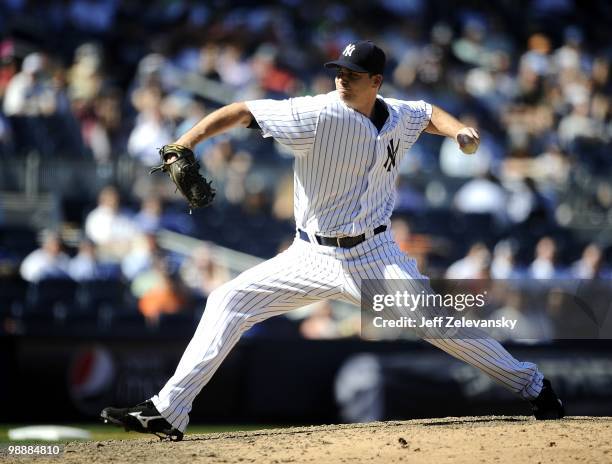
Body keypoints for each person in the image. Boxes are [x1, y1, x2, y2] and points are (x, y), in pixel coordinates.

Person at [101, 41, 564, 441]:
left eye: (353, 74)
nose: (342, 79)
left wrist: (459, 129)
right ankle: (167, 410)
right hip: (311, 254)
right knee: (227, 300)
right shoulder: (317, 113)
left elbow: (427, 114)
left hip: (376, 254)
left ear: (376, 81)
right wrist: (186, 142)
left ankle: (534, 387)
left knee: (433, 323)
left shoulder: (399, 114)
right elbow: (242, 110)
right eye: (339, 72)